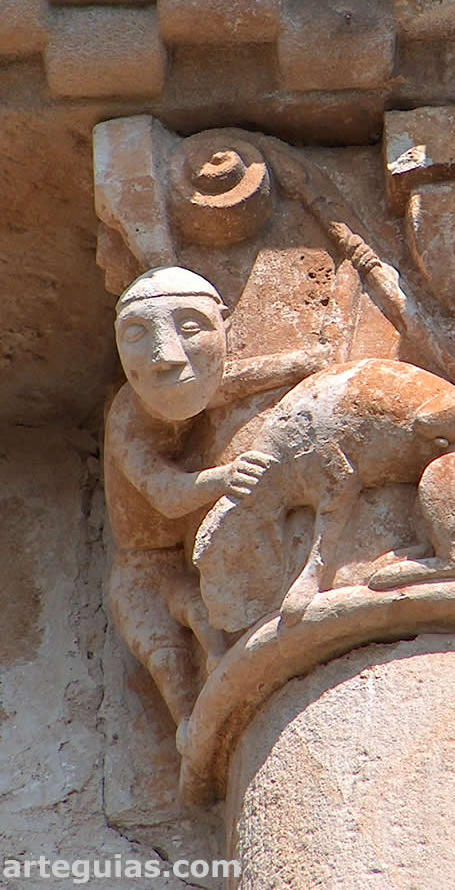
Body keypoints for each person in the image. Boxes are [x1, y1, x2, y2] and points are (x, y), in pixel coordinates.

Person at [105, 266, 327, 748]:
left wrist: (304, 362)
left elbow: (229, 383)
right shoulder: (129, 418)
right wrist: (224, 477)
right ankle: (191, 726)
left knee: (206, 621)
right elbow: (166, 495)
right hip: (144, 570)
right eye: (137, 335)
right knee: (167, 649)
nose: (165, 355)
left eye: (190, 327)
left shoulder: (190, 386)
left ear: (224, 326)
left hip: (188, 551)